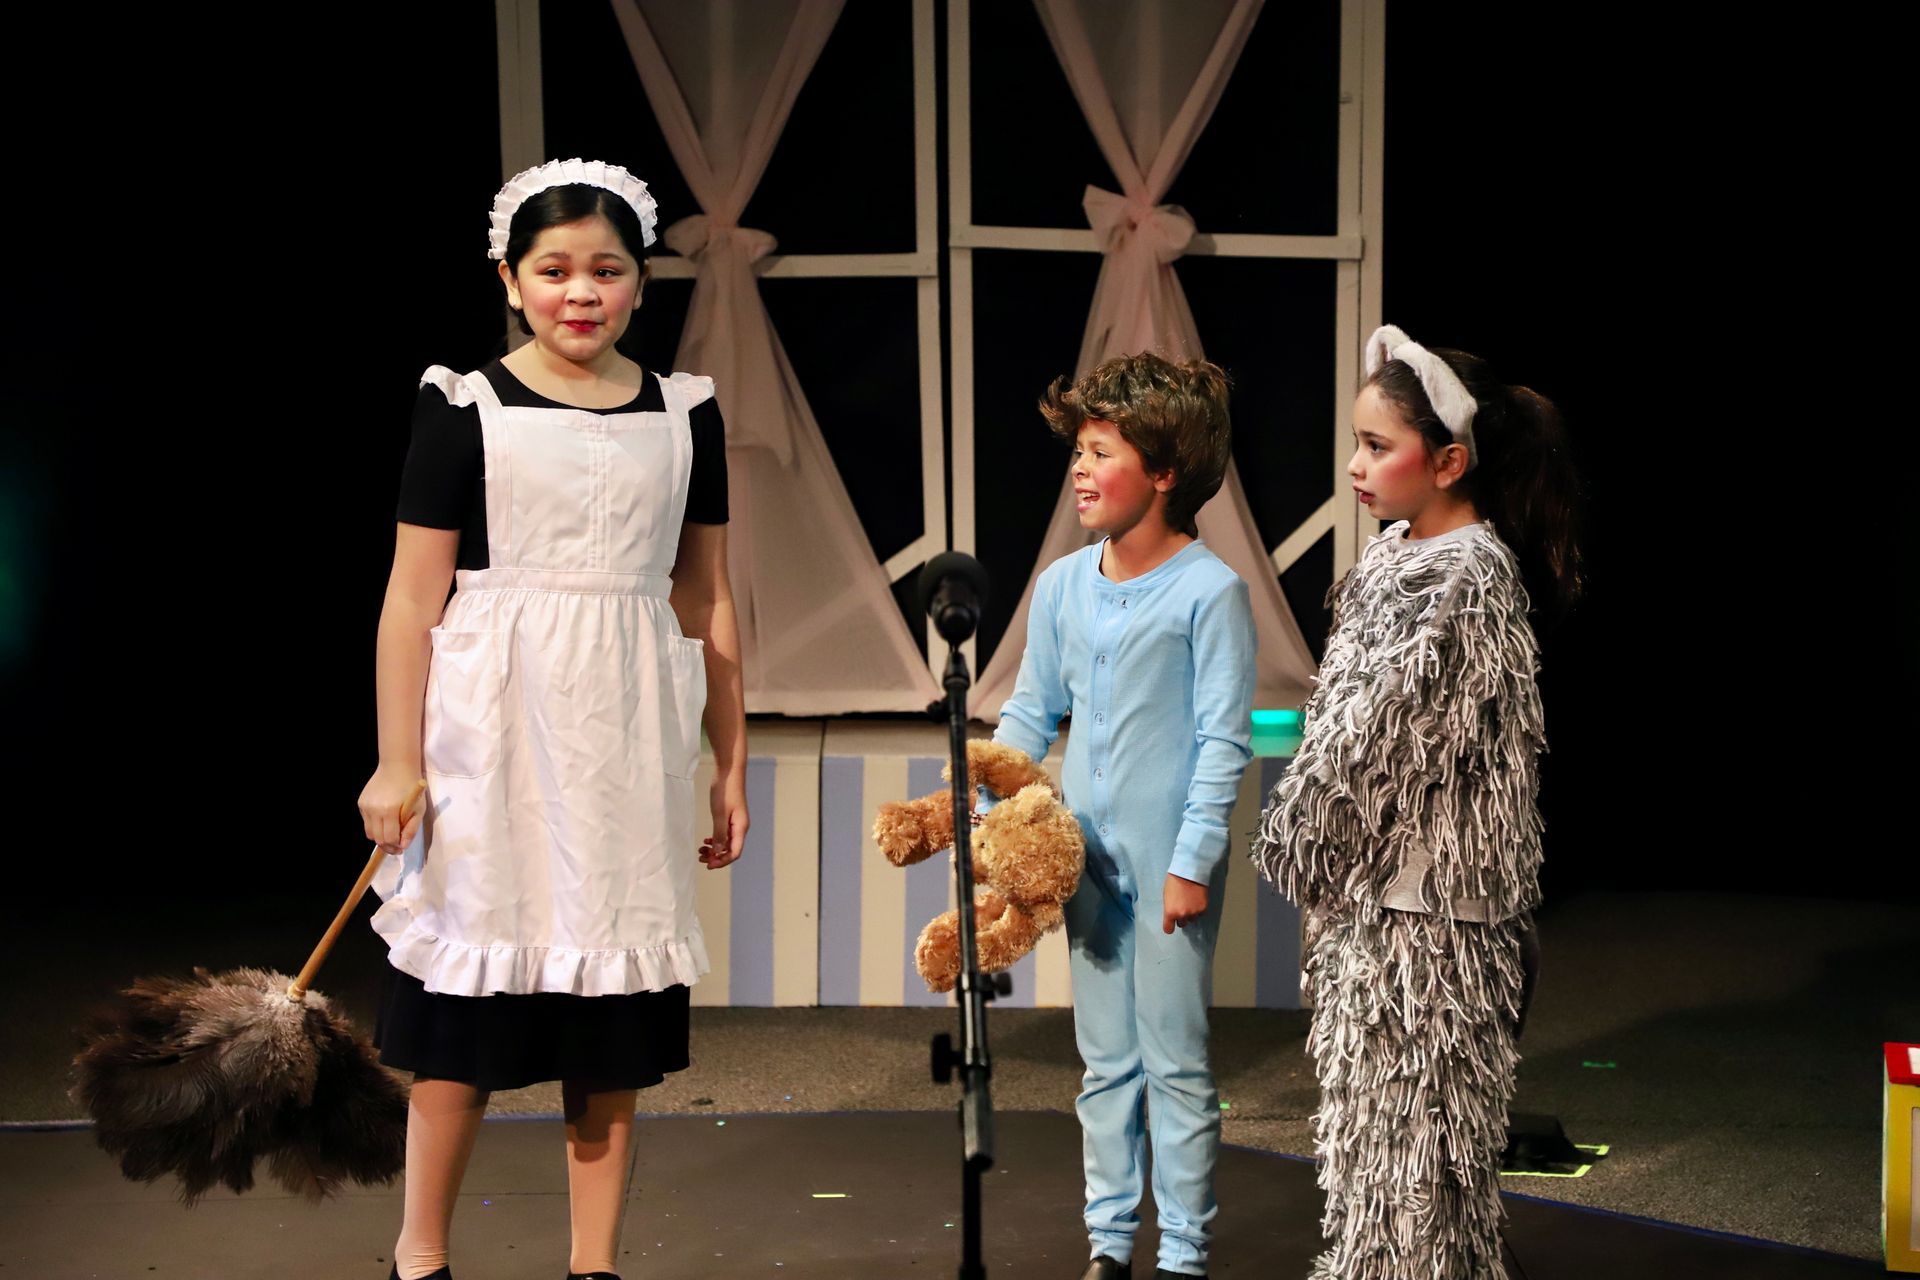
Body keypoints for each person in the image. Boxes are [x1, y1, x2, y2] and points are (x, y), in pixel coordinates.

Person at [355, 158, 749, 1280]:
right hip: (493, 736)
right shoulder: (463, 405)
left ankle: (593, 1264)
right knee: (462, 1015)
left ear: (639, 282)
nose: (583, 291)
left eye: (607, 270)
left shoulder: (684, 414)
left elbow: (706, 594)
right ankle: (420, 1254)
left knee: (609, 1014)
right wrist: (395, 758)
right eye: (556, 269)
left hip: (625, 738)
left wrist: (730, 757)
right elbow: (409, 598)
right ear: (512, 278)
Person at [1251, 325, 1583, 1279]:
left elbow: (1380, 740)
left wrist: (1301, 835)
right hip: (1372, 907)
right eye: (1355, 442)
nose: (1355, 466)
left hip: (1430, 922)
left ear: (1448, 460)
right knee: (1370, 1141)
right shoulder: (1397, 554)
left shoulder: (1470, 579)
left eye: (1377, 446)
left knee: (1421, 1150)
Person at [992, 353, 1257, 1280]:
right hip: (1087, 866)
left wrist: (1193, 861)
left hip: (1169, 864)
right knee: (1105, 1062)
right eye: (1080, 449)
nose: (1081, 468)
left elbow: (1224, 742)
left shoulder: (1209, 592)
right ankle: (1111, 1242)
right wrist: (990, 796)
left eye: (1102, 450)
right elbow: (1031, 712)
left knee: (1175, 1062)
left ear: (1166, 471)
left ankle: (1182, 1249)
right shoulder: (1064, 584)